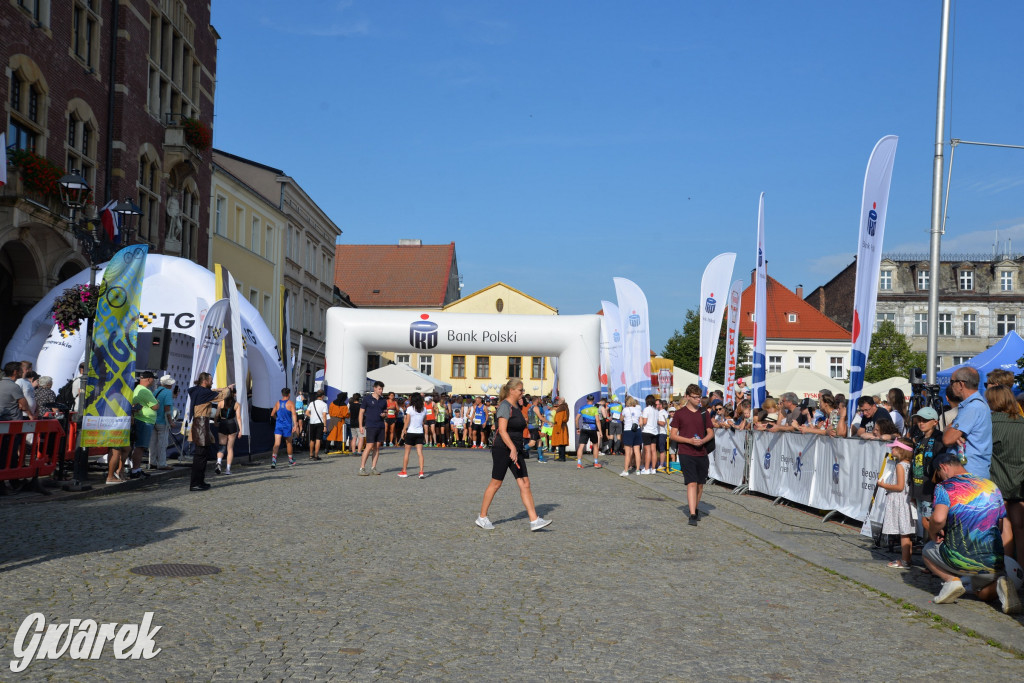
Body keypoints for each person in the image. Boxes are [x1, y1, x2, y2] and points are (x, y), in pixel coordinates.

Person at [922, 452, 1020, 614]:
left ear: (943, 467)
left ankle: (951, 581)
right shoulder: (991, 485)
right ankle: (1000, 584)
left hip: (960, 559)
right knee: (981, 593)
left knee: (927, 550)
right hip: (993, 563)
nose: (940, 479)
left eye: (939, 475)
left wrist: (933, 533)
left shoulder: (945, 487)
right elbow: (1000, 526)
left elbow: (938, 519)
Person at [475, 378, 551, 532]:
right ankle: (482, 517)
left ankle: (534, 520)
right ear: (511, 391)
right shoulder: (504, 406)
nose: (522, 392)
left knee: (525, 483)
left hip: (515, 448)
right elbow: (502, 430)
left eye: (522, 390)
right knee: (496, 483)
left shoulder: (517, 406)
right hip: (503, 448)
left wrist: (525, 444)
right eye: (520, 390)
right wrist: (512, 448)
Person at [986, 385, 1024, 572]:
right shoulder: (1022, 422)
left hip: (999, 481)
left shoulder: (990, 423)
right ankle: (1022, 571)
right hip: (1020, 482)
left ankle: (1009, 573)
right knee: (1020, 528)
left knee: (1005, 529)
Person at [670, 384, 714, 526]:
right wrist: (689, 441)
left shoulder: (704, 413)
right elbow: (673, 435)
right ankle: (693, 514)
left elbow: (710, 432)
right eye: (695, 397)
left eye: (699, 397)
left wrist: (703, 441)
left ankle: (695, 507)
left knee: (700, 484)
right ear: (687, 397)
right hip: (686, 452)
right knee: (691, 482)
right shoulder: (679, 414)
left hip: (701, 452)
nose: (698, 400)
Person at [943, 366, 993, 480]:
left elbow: (947, 439)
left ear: (961, 384)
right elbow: (950, 433)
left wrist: (950, 430)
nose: (951, 386)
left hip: (969, 474)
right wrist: (951, 430)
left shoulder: (972, 407)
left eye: (952, 382)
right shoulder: (975, 405)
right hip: (972, 472)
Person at [187, 373, 233, 491]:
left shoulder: (196, 390)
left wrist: (219, 388)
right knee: (200, 456)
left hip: (200, 424)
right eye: (211, 380)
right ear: (205, 381)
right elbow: (222, 396)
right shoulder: (204, 393)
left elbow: (211, 390)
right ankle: (195, 483)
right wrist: (228, 388)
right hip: (201, 424)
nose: (212, 382)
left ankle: (199, 481)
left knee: (202, 455)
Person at [877, 436, 916, 569]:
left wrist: (884, 485)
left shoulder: (900, 466)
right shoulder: (909, 464)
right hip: (906, 501)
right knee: (907, 532)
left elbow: (899, 487)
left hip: (900, 501)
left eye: (894, 447)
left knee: (904, 533)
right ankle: (907, 559)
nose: (892, 449)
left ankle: (905, 561)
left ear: (900, 450)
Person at [909, 407, 944, 529]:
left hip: (930, 489)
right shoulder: (918, 439)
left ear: (935, 422)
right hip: (919, 487)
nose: (921, 423)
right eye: (919, 420)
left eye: (925, 420)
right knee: (924, 521)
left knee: (928, 521)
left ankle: (933, 546)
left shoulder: (940, 438)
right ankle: (928, 546)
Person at [128, 371, 159, 480]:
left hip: (141, 419)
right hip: (144, 420)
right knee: (140, 446)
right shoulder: (145, 391)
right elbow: (156, 406)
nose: (154, 381)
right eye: (153, 379)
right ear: (149, 379)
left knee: (139, 446)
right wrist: (156, 402)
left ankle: (136, 468)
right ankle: (135, 469)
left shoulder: (138, 389)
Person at [358, 380, 387, 475]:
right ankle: (362, 468)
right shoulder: (367, 399)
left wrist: (384, 414)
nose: (381, 391)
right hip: (370, 425)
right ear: (374, 388)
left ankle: (373, 467)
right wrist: (360, 425)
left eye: (382, 389)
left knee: (377, 447)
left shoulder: (383, 400)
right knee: (369, 446)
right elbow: (361, 413)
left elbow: (385, 412)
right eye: (379, 389)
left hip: (380, 425)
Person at [150, 375, 176, 471]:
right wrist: (171, 421)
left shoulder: (156, 391)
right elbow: (167, 408)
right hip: (163, 421)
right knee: (162, 444)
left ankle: (152, 462)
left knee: (152, 443)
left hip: (153, 420)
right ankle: (162, 464)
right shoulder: (168, 392)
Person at [398, 392, 427, 479]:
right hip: (420, 432)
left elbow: (407, 421)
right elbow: (424, 421)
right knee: (420, 453)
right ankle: (421, 472)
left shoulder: (410, 409)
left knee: (407, 453)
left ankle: (404, 471)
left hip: (411, 432)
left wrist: (403, 431)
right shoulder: (424, 409)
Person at [270, 387, 299, 469]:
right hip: (287, 426)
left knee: (277, 443)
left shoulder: (277, 403)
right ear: (289, 394)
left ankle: (273, 461)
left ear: (282, 394)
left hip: (279, 425)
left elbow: (272, 414)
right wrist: (295, 425)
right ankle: (290, 461)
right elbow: (294, 414)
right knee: (289, 443)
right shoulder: (291, 403)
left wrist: (277, 419)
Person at [212, 386, 238, 474]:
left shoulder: (221, 402)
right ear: (233, 394)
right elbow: (238, 418)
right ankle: (228, 469)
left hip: (222, 423)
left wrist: (215, 422)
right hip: (232, 425)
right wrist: (241, 430)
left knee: (222, 446)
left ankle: (219, 461)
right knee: (230, 448)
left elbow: (216, 415)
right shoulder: (236, 404)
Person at [575, 394, 602, 469]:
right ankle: (596, 463)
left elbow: (576, 419)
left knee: (581, 446)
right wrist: (600, 431)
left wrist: (577, 428)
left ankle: (579, 463)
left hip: (584, 428)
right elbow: (597, 421)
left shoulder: (582, 408)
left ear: (587, 400)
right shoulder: (595, 409)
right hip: (592, 429)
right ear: (593, 400)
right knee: (595, 445)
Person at [620, 396, 642, 476]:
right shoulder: (638, 410)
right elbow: (641, 422)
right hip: (637, 430)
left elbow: (621, 419)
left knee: (628, 452)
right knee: (637, 451)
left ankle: (626, 470)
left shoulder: (625, 409)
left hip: (628, 430)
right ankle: (637, 470)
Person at [306, 389, 328, 461]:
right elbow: (324, 415)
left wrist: (311, 416)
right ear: (322, 396)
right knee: (318, 439)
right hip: (320, 423)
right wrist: (325, 426)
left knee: (312, 439)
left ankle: (310, 455)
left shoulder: (312, 403)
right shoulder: (324, 404)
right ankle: (316, 455)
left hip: (312, 423)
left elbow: (307, 413)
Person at [640, 395, 659, 475]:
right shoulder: (656, 410)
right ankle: (653, 469)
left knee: (647, 451)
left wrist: (640, 418)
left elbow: (644, 422)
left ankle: (647, 469)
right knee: (653, 451)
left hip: (647, 431)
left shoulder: (646, 409)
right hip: (655, 431)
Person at [527, 395, 549, 463]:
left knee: (539, 441)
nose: (540, 401)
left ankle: (540, 457)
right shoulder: (536, 407)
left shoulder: (530, 408)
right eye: (539, 399)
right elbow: (540, 417)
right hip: (534, 426)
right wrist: (549, 422)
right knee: (532, 443)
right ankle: (519, 450)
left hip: (531, 426)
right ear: (536, 400)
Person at [550, 397, 569, 461]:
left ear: (560, 401)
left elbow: (559, 419)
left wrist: (557, 429)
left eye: (558, 400)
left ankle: (562, 457)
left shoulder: (561, 408)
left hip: (560, 427)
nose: (558, 401)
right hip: (563, 426)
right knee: (562, 443)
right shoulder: (565, 407)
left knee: (561, 443)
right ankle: (561, 457)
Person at [656, 399, 669, 471]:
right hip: (657, 432)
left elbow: (663, 423)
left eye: (657, 404)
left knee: (661, 449)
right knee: (657, 449)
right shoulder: (658, 412)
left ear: (660, 405)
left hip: (662, 433)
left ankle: (661, 465)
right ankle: (658, 464)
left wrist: (655, 420)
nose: (656, 405)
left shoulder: (663, 412)